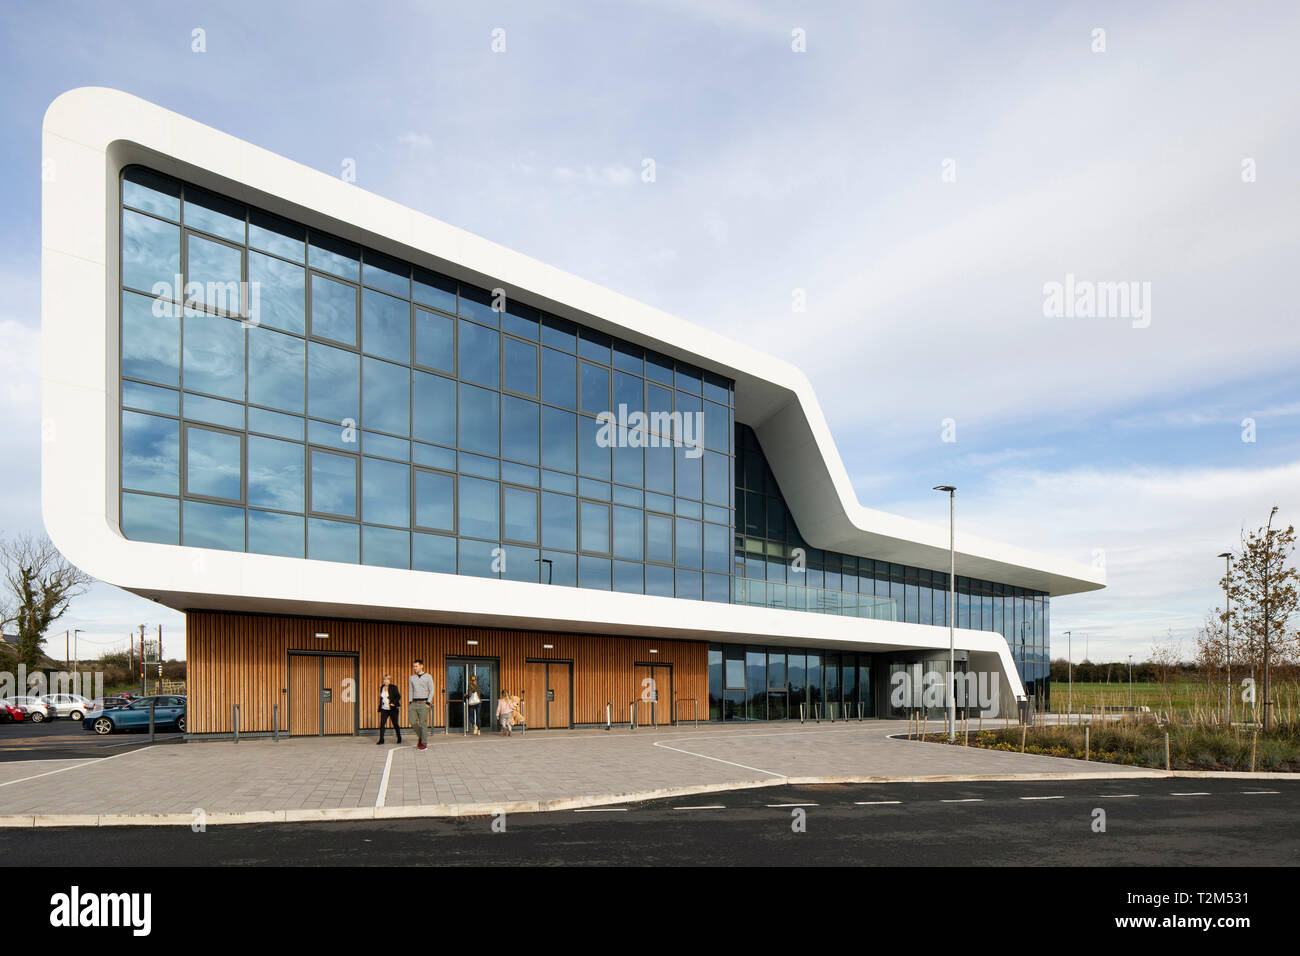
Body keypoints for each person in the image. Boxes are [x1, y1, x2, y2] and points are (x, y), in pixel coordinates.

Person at [408, 660, 435, 750]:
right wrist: (410, 702)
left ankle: (423, 743)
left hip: (424, 703)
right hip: (414, 703)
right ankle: (422, 736)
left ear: (421, 666)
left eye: (416, 666)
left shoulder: (428, 677)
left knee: (423, 723)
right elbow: (411, 690)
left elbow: (432, 690)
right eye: (414, 666)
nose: (415, 668)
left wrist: (428, 702)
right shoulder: (412, 678)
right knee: (412, 722)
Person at [377, 672, 402, 745]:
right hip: (384, 709)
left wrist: (393, 702)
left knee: (395, 724)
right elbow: (382, 697)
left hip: (392, 709)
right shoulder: (382, 687)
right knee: (382, 724)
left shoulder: (394, 687)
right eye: (384, 680)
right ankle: (381, 739)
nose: (385, 681)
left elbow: (398, 696)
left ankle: (399, 737)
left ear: (390, 680)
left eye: (387, 680)